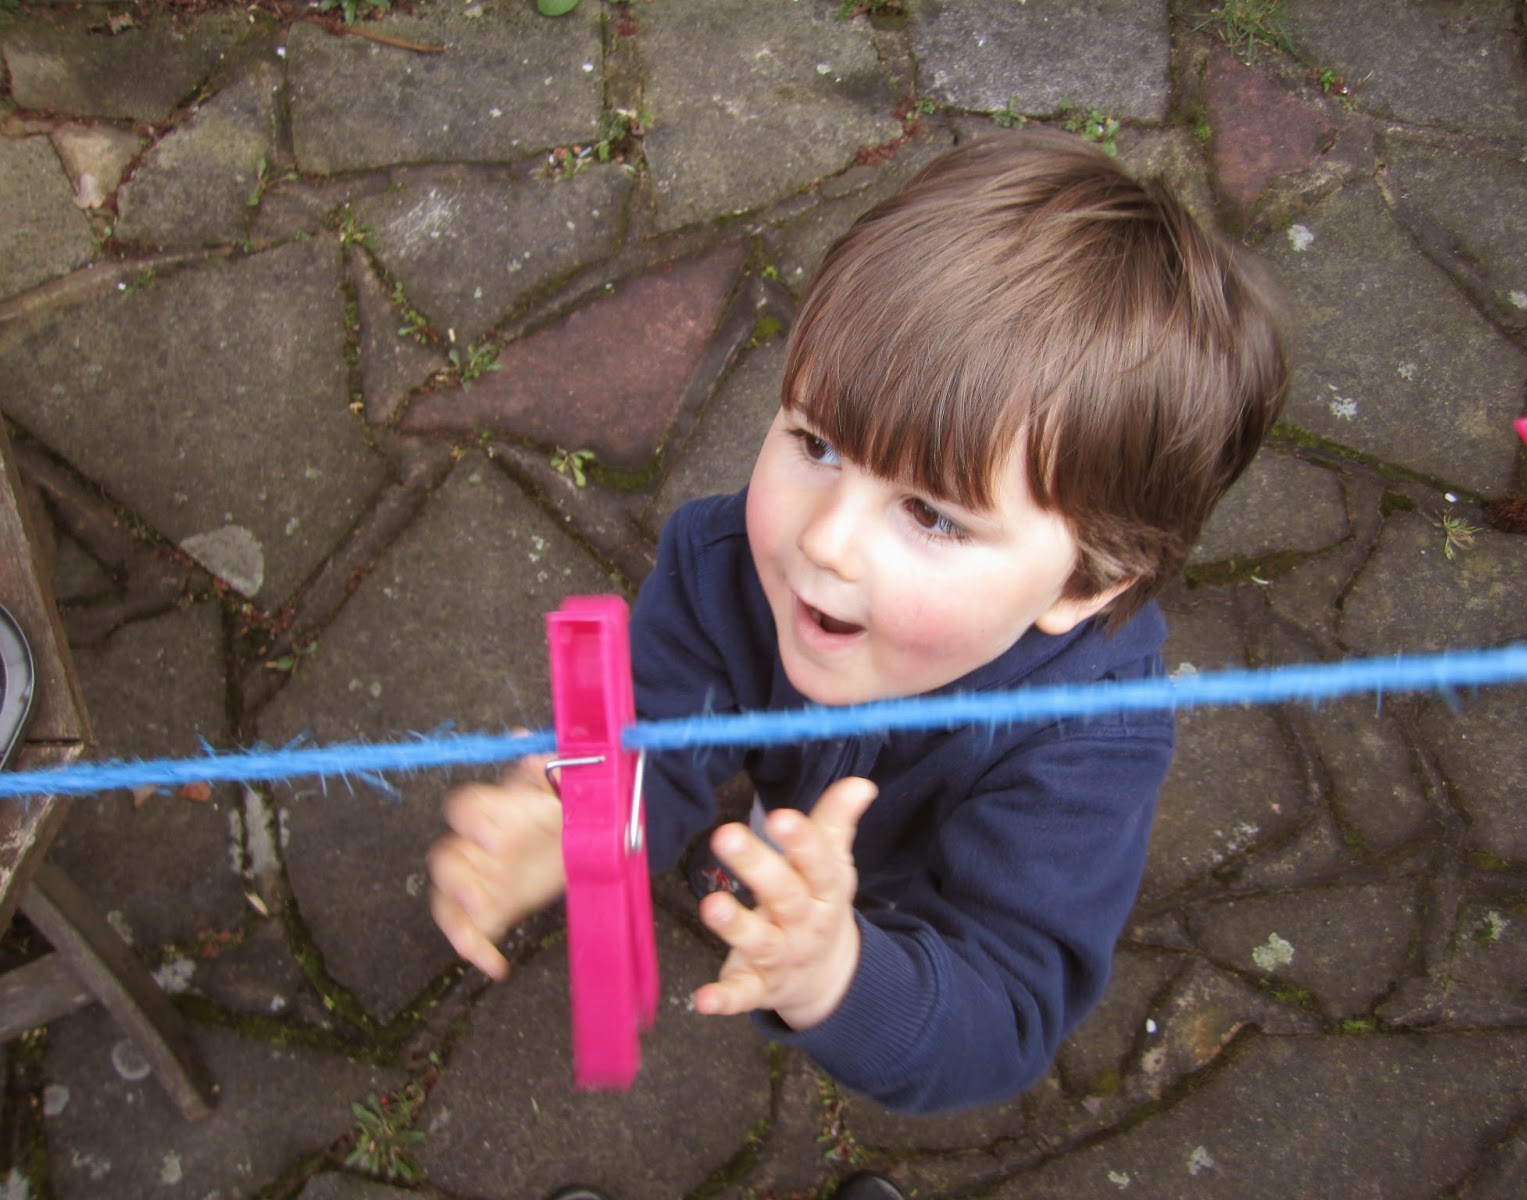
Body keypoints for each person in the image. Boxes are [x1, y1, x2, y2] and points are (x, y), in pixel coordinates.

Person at [429, 130, 1291, 1127]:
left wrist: (839, 972)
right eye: (815, 441)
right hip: (796, 835)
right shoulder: (726, 562)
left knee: (867, 905)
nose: (823, 541)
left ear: (1089, 582)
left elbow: (1007, 1007)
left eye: (930, 513)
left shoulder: (1089, 746)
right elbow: (656, 729)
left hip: (904, 907)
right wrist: (585, 827)